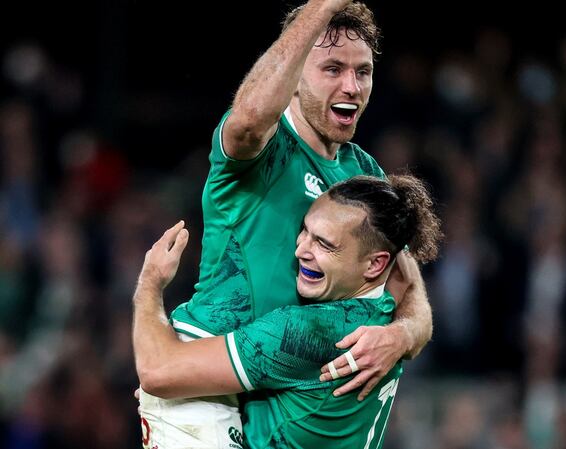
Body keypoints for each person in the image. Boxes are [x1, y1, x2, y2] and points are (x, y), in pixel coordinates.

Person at [136, 0, 433, 447]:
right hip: (203, 385)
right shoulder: (264, 148)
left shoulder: (363, 175)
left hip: (280, 386)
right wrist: (321, 5)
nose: (351, 86)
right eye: (332, 68)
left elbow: (409, 291)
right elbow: (251, 119)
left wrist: (401, 333)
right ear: (294, 75)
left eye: (363, 72)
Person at [134, 175, 442, 449]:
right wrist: (406, 332)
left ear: (375, 264)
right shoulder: (388, 304)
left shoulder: (307, 331)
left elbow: (156, 372)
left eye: (325, 244)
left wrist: (150, 284)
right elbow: (408, 274)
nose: (301, 250)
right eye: (305, 230)